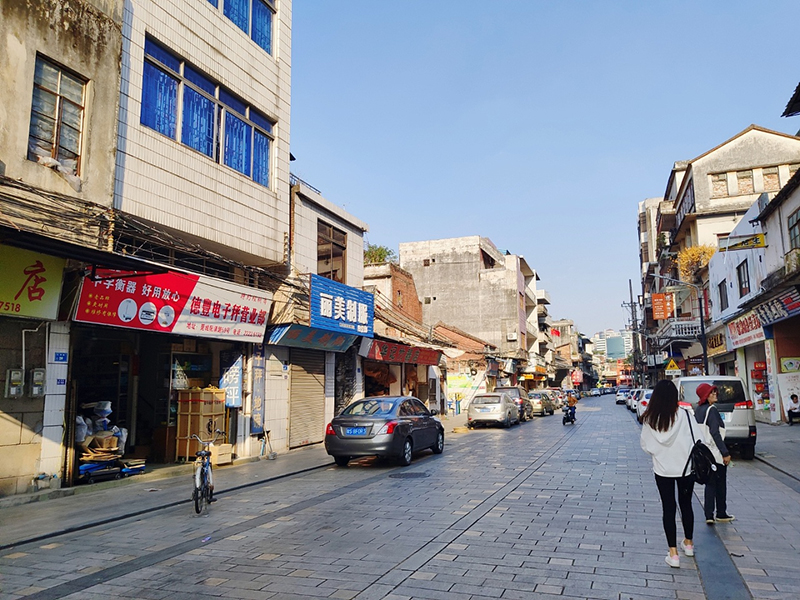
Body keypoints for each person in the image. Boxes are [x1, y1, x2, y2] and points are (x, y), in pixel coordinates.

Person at [640, 379, 696, 568]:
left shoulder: (650, 419)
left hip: (662, 469)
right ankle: (689, 544)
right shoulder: (685, 415)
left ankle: (673, 554)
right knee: (686, 504)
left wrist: (660, 453)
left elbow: (646, 446)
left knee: (668, 508)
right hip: (686, 468)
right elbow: (698, 439)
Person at [694, 383, 734, 524]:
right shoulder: (712, 410)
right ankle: (721, 513)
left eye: (715, 392)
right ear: (706, 395)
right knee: (720, 483)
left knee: (710, 483)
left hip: (703, 452)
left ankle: (709, 515)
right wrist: (725, 452)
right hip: (715, 452)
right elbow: (715, 433)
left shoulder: (698, 410)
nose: (715, 394)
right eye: (711, 392)